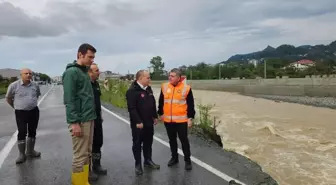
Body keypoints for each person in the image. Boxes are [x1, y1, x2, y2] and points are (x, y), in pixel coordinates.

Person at [62, 43, 97, 185]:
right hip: (80, 120)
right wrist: (74, 122)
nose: (92, 60)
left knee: (87, 153)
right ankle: (79, 183)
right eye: (90, 57)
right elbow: (69, 100)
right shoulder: (72, 73)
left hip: (89, 118)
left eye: (93, 57)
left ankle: (84, 181)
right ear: (79, 55)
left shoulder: (83, 72)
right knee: (80, 156)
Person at [157, 68, 195, 171]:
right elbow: (161, 101)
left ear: (178, 78)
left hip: (181, 121)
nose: (170, 77)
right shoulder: (164, 87)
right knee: (172, 140)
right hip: (168, 120)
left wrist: (190, 118)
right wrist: (160, 113)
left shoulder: (186, 88)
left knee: (184, 140)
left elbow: (191, 105)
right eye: (169, 75)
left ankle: (187, 161)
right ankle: (174, 158)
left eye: (172, 76)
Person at [126, 70, 160, 176]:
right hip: (138, 124)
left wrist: (154, 116)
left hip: (149, 122)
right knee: (137, 144)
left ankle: (148, 160)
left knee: (148, 142)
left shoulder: (148, 89)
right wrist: (138, 121)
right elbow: (132, 108)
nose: (150, 79)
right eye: (148, 78)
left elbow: (152, 103)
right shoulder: (132, 91)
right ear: (140, 78)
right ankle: (138, 165)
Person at [5, 68, 41, 164]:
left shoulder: (35, 85)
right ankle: (21, 154)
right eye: (26, 73)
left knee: (32, 131)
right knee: (22, 132)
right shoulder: (14, 85)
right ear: (21, 75)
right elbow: (8, 98)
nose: (28, 75)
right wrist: (16, 107)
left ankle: (30, 151)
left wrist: (30, 103)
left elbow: (37, 95)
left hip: (34, 111)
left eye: (30, 73)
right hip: (20, 112)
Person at [88, 63, 107, 178]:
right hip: (89, 118)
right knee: (88, 145)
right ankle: (88, 169)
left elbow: (97, 102)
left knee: (98, 141)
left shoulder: (96, 84)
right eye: (96, 70)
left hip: (97, 118)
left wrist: (100, 115)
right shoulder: (86, 85)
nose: (99, 72)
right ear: (90, 72)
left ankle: (97, 165)